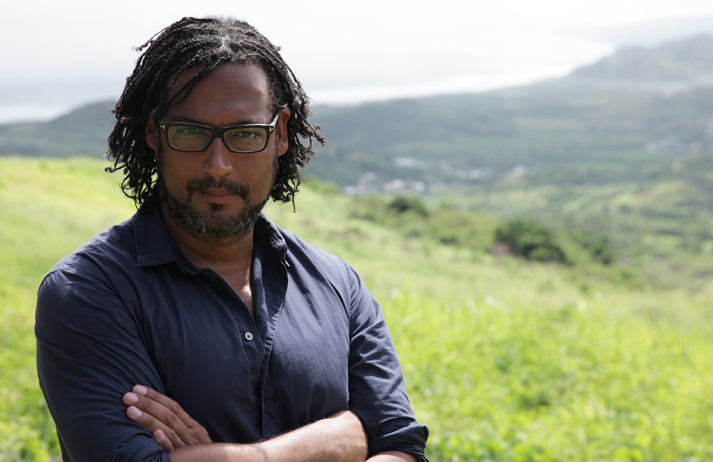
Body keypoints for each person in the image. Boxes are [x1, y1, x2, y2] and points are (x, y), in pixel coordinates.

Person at [35, 16, 429, 462]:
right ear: (154, 132)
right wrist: (336, 442)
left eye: (245, 134)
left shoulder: (338, 285)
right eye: (190, 133)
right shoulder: (88, 291)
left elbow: (400, 447)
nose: (218, 165)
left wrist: (214, 456)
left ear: (280, 133)